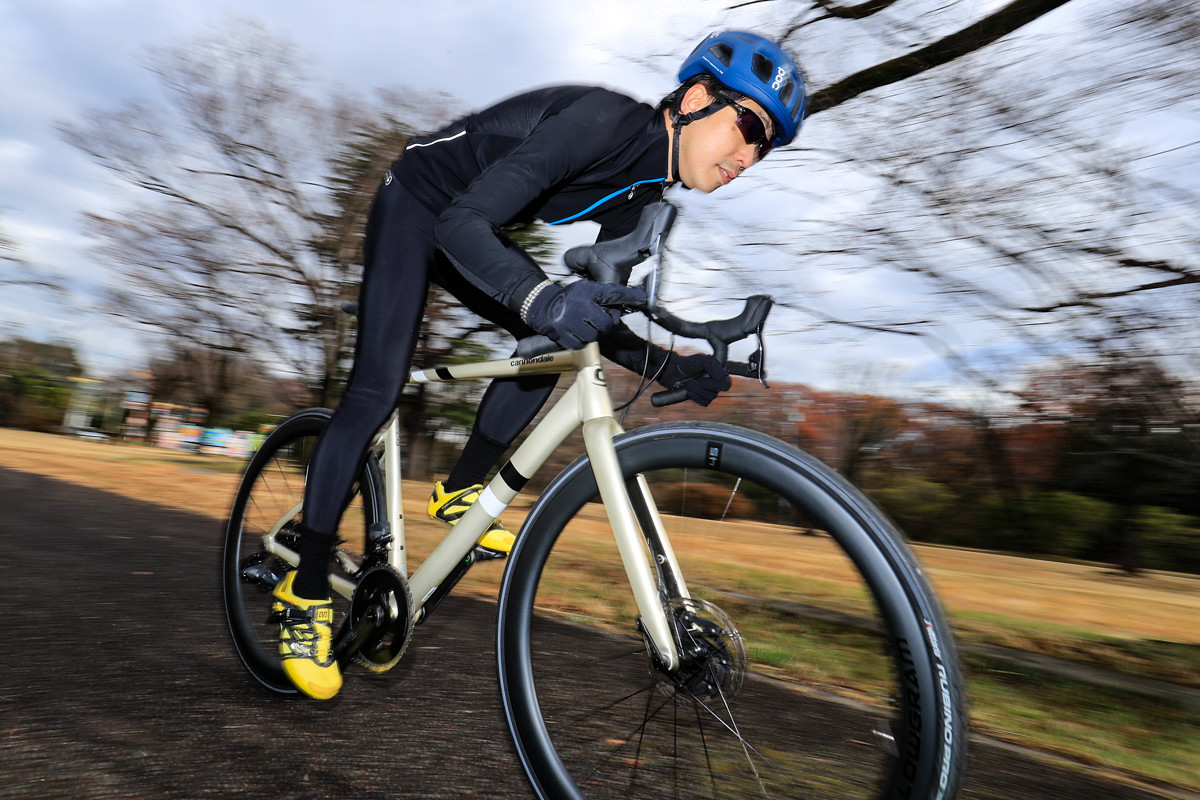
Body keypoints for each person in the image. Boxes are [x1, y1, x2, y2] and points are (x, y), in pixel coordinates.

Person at [271, 30, 807, 699]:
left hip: (473, 226)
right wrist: (537, 295)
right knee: (376, 392)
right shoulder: (605, 122)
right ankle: (307, 587)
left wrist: (674, 365)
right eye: (749, 127)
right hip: (420, 203)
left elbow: (597, 321)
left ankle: (460, 490)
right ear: (697, 98)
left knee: (559, 341)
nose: (749, 157)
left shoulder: (645, 197)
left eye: (766, 147)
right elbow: (461, 223)